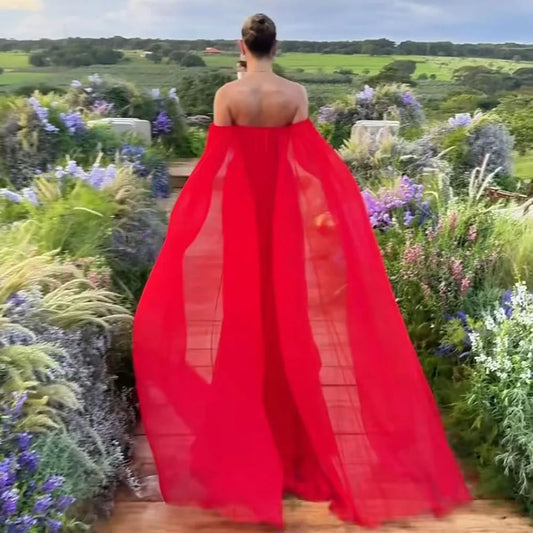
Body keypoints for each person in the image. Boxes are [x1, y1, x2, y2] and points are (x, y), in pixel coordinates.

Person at [133, 13, 472, 530]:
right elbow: (309, 159)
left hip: (244, 218)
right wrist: (342, 202)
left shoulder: (228, 96)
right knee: (286, 315)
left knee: (246, 322)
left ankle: (249, 442)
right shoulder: (294, 94)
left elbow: (215, 164)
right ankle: (295, 444)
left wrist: (188, 219)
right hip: (284, 218)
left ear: (240, 47)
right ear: (277, 45)